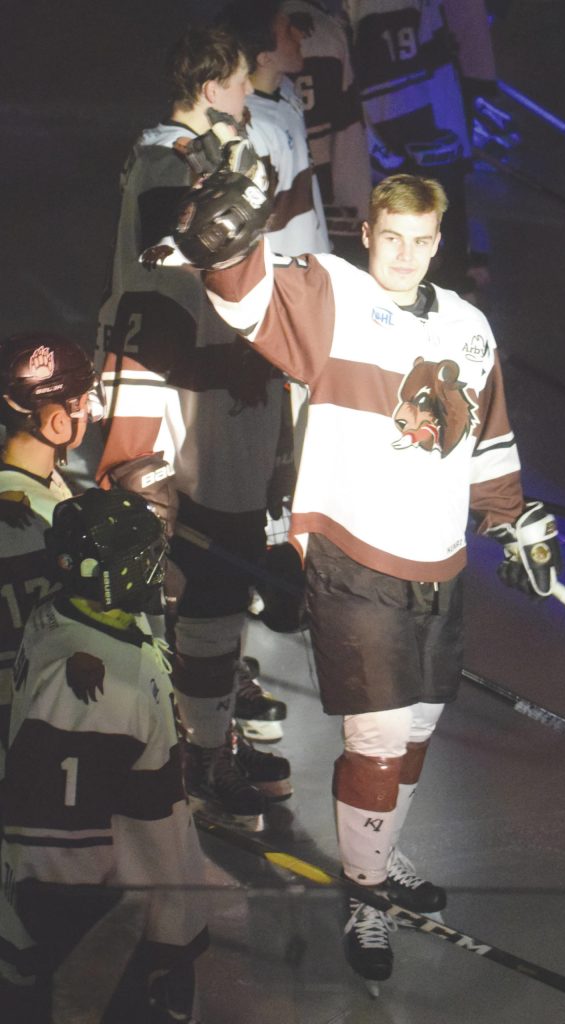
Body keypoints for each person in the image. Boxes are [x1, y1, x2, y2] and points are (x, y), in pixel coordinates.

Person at [159, 165, 562, 983]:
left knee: (415, 732)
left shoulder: (470, 327)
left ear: (437, 243)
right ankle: (366, 896)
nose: (405, 256)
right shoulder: (333, 294)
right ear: (368, 234)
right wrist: (224, 249)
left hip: (438, 563)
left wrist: (509, 519)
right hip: (354, 560)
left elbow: (487, 440)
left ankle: (378, 854)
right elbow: (249, 300)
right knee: (376, 737)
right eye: (392, 239)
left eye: (421, 242)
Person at [95, 23, 292, 830]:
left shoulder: (199, 157)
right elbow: (164, 265)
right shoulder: (166, 161)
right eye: (241, 83)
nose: (250, 95)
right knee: (195, 579)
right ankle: (190, 756)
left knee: (221, 579)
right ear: (211, 88)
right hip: (185, 404)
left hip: (222, 398)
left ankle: (207, 737)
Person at [1, 488, 208, 1022]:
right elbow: (56, 848)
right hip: (113, 934)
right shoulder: (93, 683)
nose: (157, 567)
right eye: (146, 558)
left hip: (132, 906)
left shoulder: (70, 614)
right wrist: (99, 953)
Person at [0, 332, 101, 792]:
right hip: (38, 750)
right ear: (59, 421)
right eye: (82, 403)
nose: (89, 413)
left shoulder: (38, 486)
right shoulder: (51, 522)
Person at [343, 0, 474, 293]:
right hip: (403, 143)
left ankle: (451, 287)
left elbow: (423, 76)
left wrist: (381, 150)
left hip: (413, 144)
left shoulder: (394, 8)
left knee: (417, 237)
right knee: (401, 240)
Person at [218, 0, 331, 257]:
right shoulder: (250, 125)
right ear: (264, 57)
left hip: (314, 259)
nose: (299, 36)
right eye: (288, 32)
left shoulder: (287, 90)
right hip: (284, 269)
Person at [282, 0, 372, 261]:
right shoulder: (327, 31)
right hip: (323, 187)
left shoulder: (243, 26)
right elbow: (348, 133)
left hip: (273, 195)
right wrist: (356, 205)